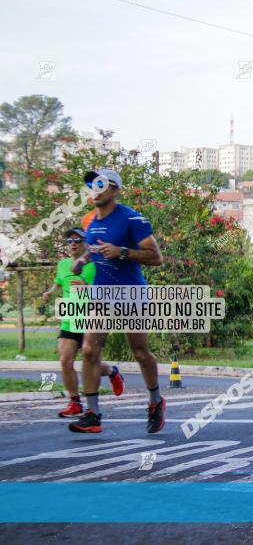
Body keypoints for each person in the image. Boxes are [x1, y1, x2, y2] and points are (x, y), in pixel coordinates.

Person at [68, 169, 165, 434]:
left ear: (114, 189)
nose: (95, 189)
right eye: (92, 185)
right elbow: (95, 247)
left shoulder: (131, 218)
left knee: (140, 351)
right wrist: (83, 259)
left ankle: (156, 402)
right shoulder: (90, 222)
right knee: (89, 350)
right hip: (102, 294)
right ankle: (93, 414)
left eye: (101, 184)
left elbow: (156, 258)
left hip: (131, 293)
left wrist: (122, 252)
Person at [42, 228, 124, 418]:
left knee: (90, 361)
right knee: (65, 361)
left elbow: (107, 287)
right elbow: (58, 283)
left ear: (85, 243)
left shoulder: (95, 264)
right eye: (69, 241)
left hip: (91, 318)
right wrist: (49, 292)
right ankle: (75, 403)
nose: (73, 244)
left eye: (77, 240)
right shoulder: (62, 264)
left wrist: (86, 287)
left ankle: (112, 372)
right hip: (70, 319)